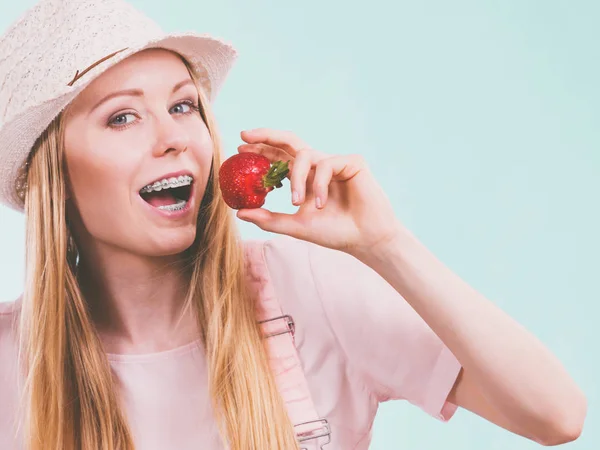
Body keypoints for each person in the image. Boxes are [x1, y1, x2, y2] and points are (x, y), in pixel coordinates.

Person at [0, 1, 587, 449]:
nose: (175, 138)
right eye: (122, 117)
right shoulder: (10, 359)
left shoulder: (308, 290)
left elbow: (554, 415)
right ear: (53, 174)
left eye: (183, 106)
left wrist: (386, 247)